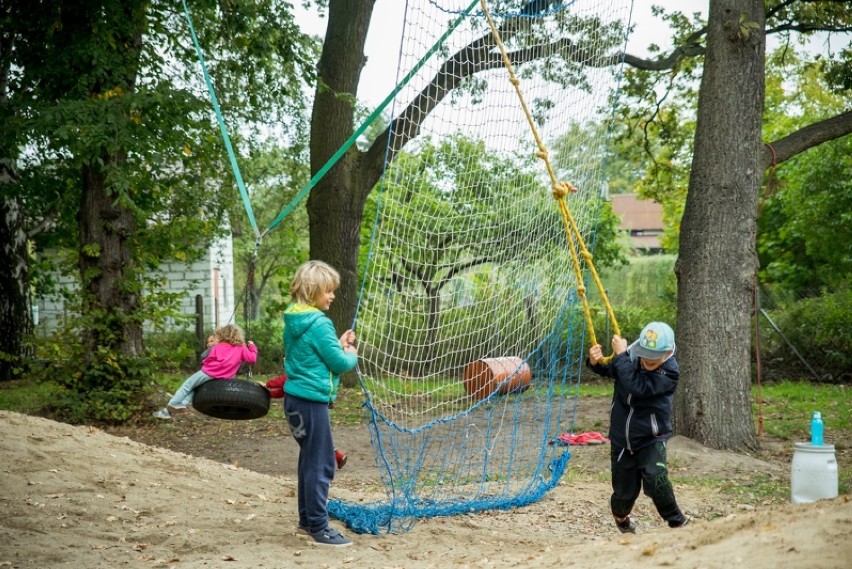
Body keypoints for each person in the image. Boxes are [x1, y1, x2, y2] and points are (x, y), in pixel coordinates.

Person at [587, 321, 690, 534]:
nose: (649, 360)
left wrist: (622, 356)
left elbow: (638, 386)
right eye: (646, 354)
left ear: (668, 351)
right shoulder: (632, 357)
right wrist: (595, 361)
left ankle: (678, 522)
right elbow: (611, 369)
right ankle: (622, 518)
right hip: (622, 441)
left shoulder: (670, 372)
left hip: (651, 438)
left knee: (656, 479)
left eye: (655, 356)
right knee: (624, 494)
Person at [282, 260, 358, 547]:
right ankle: (318, 527)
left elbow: (313, 354)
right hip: (312, 404)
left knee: (309, 460)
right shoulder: (320, 324)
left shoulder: (295, 319)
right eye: (328, 291)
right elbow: (338, 363)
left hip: (295, 401)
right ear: (313, 291)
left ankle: (307, 520)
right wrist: (350, 352)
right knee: (322, 462)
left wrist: (336, 342)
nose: (333, 295)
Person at [153, 324, 258, 419]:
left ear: (223, 335)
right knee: (196, 388)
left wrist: (207, 363)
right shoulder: (242, 348)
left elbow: (208, 359)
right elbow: (252, 359)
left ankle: (173, 404)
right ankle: (183, 404)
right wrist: (252, 347)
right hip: (224, 379)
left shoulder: (218, 347)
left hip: (209, 373)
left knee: (187, 385)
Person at [263, 373, 348, 469]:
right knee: (320, 433)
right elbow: (285, 388)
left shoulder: (300, 369)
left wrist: (267, 384)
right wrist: (269, 393)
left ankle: (324, 461)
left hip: (310, 403)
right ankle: (335, 456)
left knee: (313, 435)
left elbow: (286, 379)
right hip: (320, 400)